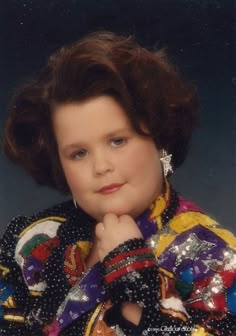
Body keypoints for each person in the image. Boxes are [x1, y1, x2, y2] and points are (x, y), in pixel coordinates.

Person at [0, 31, 236, 336]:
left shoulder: (216, 258)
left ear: (160, 139)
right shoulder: (31, 241)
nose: (100, 167)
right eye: (79, 153)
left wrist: (135, 279)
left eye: (117, 141)